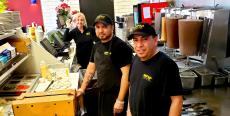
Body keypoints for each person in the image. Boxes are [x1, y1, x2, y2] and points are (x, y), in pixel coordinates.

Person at [77, 14, 133, 116]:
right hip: (103, 92)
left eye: (104, 27)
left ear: (112, 27)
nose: (100, 30)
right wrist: (82, 88)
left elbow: (126, 75)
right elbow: (90, 69)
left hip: (117, 95)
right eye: (98, 27)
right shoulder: (96, 46)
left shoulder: (120, 46)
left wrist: (120, 100)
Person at [127, 23, 183, 116]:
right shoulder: (135, 59)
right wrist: (129, 111)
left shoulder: (166, 65)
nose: (139, 45)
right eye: (135, 40)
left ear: (155, 40)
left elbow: (177, 101)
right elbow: (132, 87)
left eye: (144, 39)